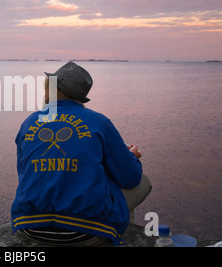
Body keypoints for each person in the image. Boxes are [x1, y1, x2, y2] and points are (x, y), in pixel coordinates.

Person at [11, 61, 152, 246]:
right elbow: (130, 178)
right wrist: (132, 156)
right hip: (82, 234)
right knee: (142, 181)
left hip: (29, 226)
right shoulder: (99, 122)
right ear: (81, 96)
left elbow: (24, 173)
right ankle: (119, 237)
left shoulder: (29, 123)